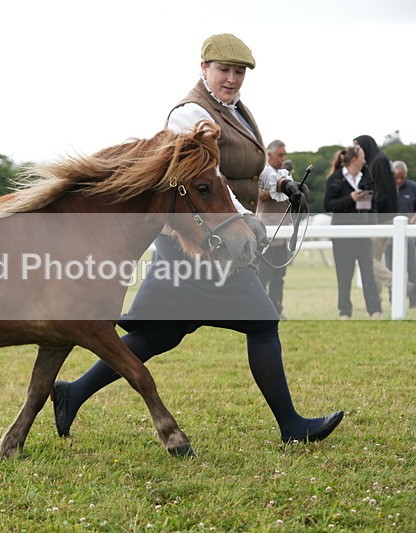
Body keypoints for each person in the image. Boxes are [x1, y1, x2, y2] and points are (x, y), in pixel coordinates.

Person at [51, 33, 343, 445]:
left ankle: (72, 392)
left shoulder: (235, 110)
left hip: (218, 240)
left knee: (159, 335)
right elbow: (206, 179)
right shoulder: (188, 115)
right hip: (200, 243)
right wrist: (244, 220)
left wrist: (280, 182)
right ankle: (292, 427)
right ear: (203, 68)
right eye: (224, 70)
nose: (232, 78)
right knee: (262, 324)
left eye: (239, 72)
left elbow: (245, 164)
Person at [323, 147, 382, 319]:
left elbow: (373, 206)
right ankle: (345, 311)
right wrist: (350, 199)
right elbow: (329, 205)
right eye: (363, 157)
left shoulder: (367, 178)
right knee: (344, 273)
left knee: (368, 272)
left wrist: (373, 227)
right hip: (342, 236)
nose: (365, 160)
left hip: (363, 234)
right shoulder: (335, 179)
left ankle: (374, 310)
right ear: (355, 159)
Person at [353, 135, 397, 299]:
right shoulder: (381, 159)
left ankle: (400, 284)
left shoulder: (378, 161)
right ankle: (376, 300)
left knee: (370, 261)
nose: (355, 151)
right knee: (374, 259)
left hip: (381, 218)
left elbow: (381, 194)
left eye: (357, 146)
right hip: (386, 216)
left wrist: (370, 217)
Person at [256, 140, 292, 317]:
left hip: (283, 231)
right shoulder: (262, 174)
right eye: (280, 155)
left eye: (285, 154)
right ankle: (262, 310)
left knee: (279, 276)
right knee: (263, 275)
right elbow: (261, 196)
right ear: (269, 155)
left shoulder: (285, 174)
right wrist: (283, 186)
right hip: (267, 233)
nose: (284, 158)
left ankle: (277, 309)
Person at [391, 161, 416, 306]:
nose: (399, 180)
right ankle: (393, 300)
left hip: (411, 236)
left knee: (413, 269)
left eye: (402, 177)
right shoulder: (386, 189)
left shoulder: (413, 187)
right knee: (391, 269)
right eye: (396, 177)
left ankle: (413, 302)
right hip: (390, 237)